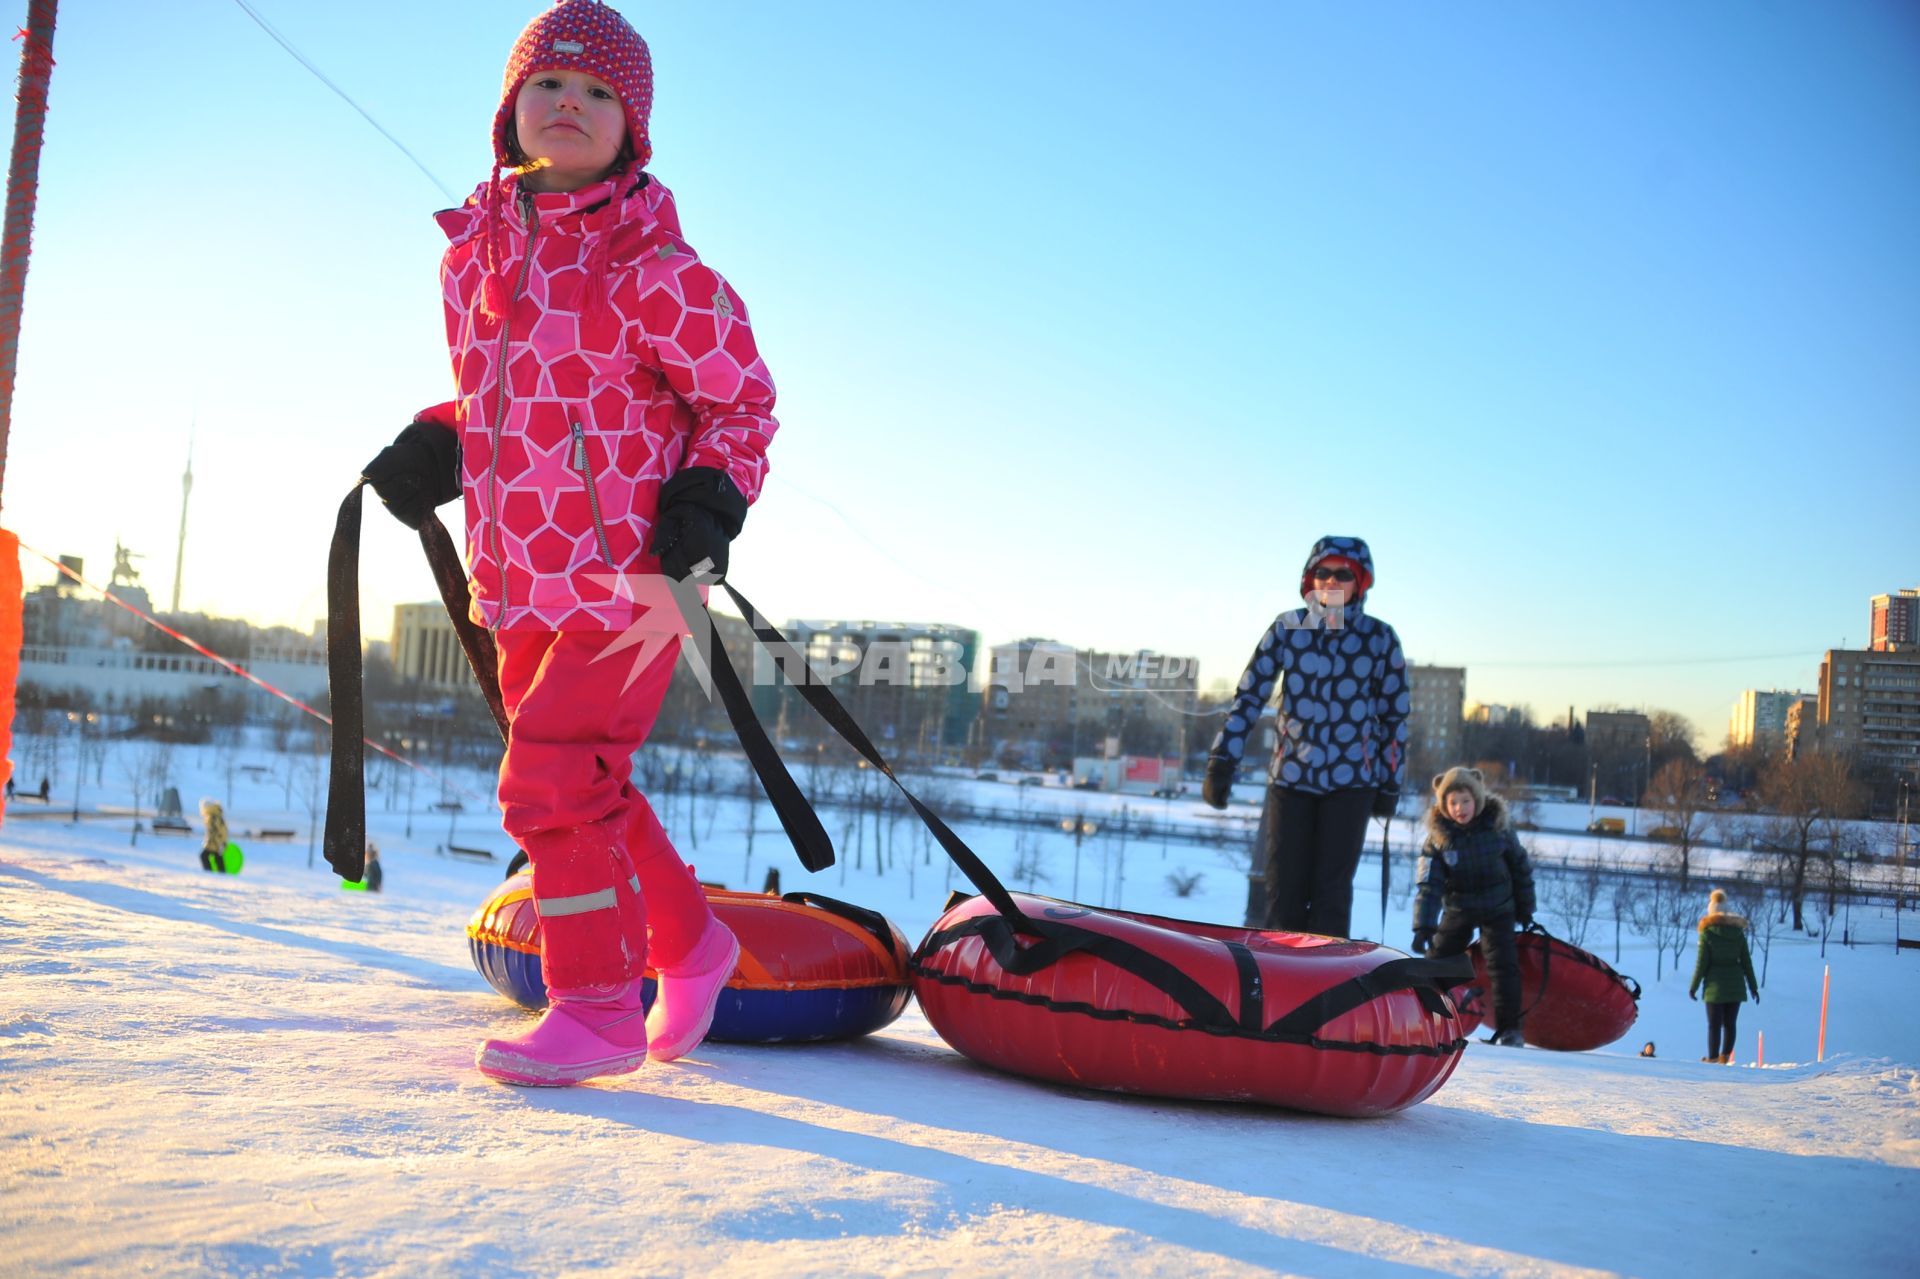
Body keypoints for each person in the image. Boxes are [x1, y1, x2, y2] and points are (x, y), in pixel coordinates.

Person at [361, 0, 769, 1087]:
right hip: (520, 576)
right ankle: (692, 944)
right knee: (589, 781)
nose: (572, 104)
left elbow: (742, 407)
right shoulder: (474, 264)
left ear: (634, 128)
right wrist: (436, 443)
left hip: (637, 582)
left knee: (543, 783)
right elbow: (506, 405)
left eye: (599, 93)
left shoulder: (660, 272)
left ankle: (591, 1004)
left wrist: (705, 509)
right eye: (551, 85)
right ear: (510, 112)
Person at [1203, 536, 1409, 936]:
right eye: (1323, 572)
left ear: (1360, 582)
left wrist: (1390, 782)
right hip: (1291, 780)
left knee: (1332, 897)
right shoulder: (1287, 628)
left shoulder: (1380, 638)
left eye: (1343, 573)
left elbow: (1395, 716)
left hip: (1352, 784)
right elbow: (1249, 695)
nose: (1331, 581)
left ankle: (1328, 986)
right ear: (1309, 579)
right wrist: (1222, 761)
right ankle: (1281, 982)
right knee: (1284, 895)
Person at [1410, 767, 1536, 1047]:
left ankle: (1510, 1029)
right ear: (1444, 805)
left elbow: (1520, 868)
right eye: (1453, 802)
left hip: (1498, 907)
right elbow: (1428, 884)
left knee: (1503, 966)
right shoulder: (1438, 839)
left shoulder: (1498, 828)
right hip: (1459, 908)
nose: (1459, 808)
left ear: (1477, 800)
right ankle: (1423, 1020)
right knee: (1437, 962)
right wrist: (1424, 926)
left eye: (1465, 801)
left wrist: (1526, 908)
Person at [1689, 888, 1759, 1064]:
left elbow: (1702, 963)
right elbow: (1746, 962)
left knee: (1714, 1025)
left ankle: (1712, 1057)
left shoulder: (1708, 933)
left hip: (1714, 986)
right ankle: (1724, 1057)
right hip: (1735, 984)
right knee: (1730, 1024)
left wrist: (1694, 986)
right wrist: (1753, 986)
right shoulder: (1738, 933)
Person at [199, 799, 228, 873]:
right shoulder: (216, 815)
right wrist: (223, 841)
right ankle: (221, 871)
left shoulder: (212, 817)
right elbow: (222, 830)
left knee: (204, 856)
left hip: (213, 842)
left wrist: (212, 841)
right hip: (217, 841)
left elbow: (213, 831)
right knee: (217, 856)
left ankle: (209, 872)